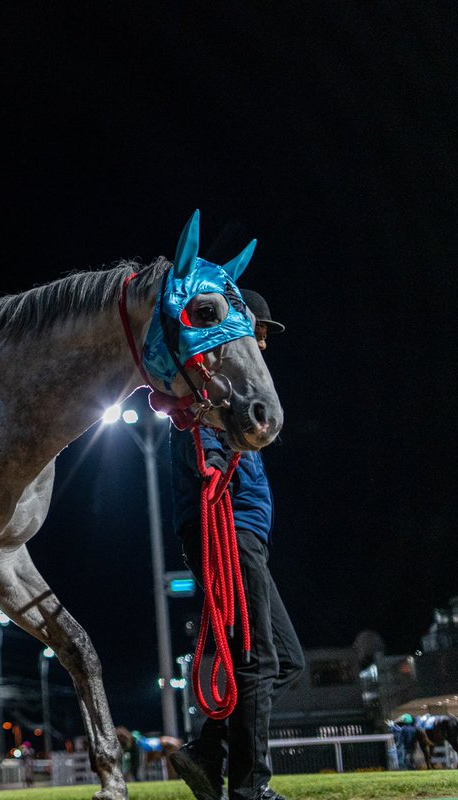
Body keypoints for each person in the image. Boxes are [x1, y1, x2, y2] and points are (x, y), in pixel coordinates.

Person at [167, 289, 305, 800]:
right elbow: (202, 448)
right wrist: (215, 466)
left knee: (285, 660)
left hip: (241, 534)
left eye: (262, 334)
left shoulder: (230, 395)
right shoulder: (211, 393)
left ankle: (208, 748)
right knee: (257, 658)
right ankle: (250, 790)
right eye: (259, 331)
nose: (261, 343)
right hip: (228, 531)